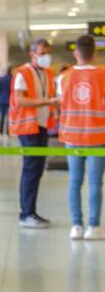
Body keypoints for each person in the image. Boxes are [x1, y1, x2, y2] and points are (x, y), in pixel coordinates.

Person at [57, 34, 105, 241]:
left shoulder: (64, 76)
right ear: (94, 51)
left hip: (72, 135)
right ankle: (93, 227)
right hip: (98, 136)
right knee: (95, 182)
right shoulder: (103, 74)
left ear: (76, 52)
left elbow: (61, 103)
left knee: (74, 181)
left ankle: (76, 226)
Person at [8, 39, 59, 229]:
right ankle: (26, 213)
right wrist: (46, 102)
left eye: (48, 52)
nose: (46, 56)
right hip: (28, 127)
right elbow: (20, 100)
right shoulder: (23, 73)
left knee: (37, 170)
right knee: (30, 169)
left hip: (42, 125)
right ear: (32, 54)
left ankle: (32, 211)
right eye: (42, 53)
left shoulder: (48, 73)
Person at [0, 65, 13, 136]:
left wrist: (0, 94)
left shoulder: (0, 79)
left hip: (1, 100)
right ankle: (8, 131)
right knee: (9, 117)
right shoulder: (12, 79)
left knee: (2, 116)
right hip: (10, 101)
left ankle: (1, 131)